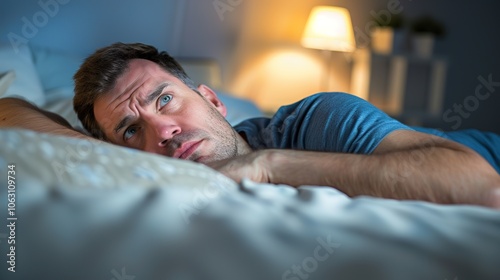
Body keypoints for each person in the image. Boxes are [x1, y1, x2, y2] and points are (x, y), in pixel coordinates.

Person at [1, 42, 499, 208]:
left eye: (166, 99)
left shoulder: (318, 118)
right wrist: (104, 149)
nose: (163, 131)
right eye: (131, 129)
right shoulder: (144, 160)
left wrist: (268, 165)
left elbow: (482, 187)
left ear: (214, 100)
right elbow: (9, 111)